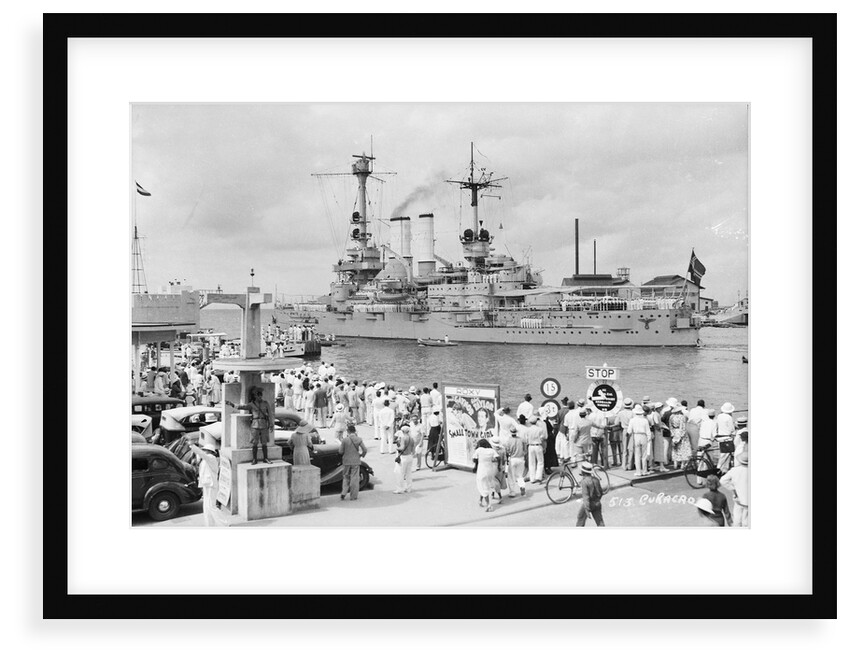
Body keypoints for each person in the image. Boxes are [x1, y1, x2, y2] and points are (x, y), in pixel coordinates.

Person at [188, 437, 225, 526]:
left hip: (211, 485)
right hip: (206, 484)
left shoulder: (211, 458)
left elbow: (201, 454)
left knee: (211, 507)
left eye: (205, 450)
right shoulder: (205, 460)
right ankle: (209, 525)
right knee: (207, 507)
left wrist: (191, 445)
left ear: (209, 451)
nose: (204, 451)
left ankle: (223, 524)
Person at [240, 386, 272, 465]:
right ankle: (254, 459)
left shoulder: (265, 403)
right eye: (258, 395)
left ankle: (265, 458)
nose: (260, 397)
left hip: (264, 424)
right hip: (255, 424)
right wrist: (232, 404)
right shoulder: (251, 404)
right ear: (255, 396)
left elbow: (270, 414)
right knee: (255, 443)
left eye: (260, 395)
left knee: (264, 443)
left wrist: (271, 423)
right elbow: (243, 407)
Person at [720, 451, 749, 526]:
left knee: (737, 518)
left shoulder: (734, 470)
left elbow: (723, 480)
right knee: (747, 521)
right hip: (748, 500)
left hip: (738, 498)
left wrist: (733, 489)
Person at [338, 424, 367, 500]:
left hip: (346, 461)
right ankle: (353, 496)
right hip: (355, 461)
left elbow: (340, 451)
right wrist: (361, 455)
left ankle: (344, 493)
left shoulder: (345, 440)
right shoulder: (359, 439)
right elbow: (365, 449)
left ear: (348, 431)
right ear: (355, 431)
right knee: (354, 478)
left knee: (346, 477)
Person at [472, 440, 500, 512]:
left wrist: (476, 464)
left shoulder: (479, 450)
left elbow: (474, 459)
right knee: (485, 486)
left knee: (482, 486)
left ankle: (488, 505)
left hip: (482, 470)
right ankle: (480, 500)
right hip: (490, 470)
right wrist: (499, 466)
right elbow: (498, 458)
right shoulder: (491, 450)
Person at [575, 461, 605, 527]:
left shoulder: (584, 482)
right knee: (599, 521)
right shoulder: (596, 479)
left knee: (580, 518)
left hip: (589, 504)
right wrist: (597, 500)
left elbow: (586, 497)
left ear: (583, 472)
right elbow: (601, 492)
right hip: (597, 502)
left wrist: (587, 509)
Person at [503, 423, 528, 497]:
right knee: (520, 475)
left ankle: (512, 492)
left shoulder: (508, 441)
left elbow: (507, 451)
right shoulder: (521, 439)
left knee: (511, 476)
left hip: (513, 459)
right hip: (521, 458)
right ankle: (522, 487)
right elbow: (525, 450)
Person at [627, 405, 651, 476]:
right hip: (644, 436)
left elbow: (629, 431)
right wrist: (649, 438)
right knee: (644, 454)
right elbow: (648, 431)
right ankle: (644, 470)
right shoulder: (645, 420)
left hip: (636, 435)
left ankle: (638, 471)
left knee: (637, 454)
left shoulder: (632, 420)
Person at [393, 424, 416, 493]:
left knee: (400, 473)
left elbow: (402, 448)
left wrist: (397, 448)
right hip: (410, 456)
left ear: (402, 431)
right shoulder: (412, 438)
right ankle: (409, 488)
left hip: (403, 457)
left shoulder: (403, 438)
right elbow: (413, 450)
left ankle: (400, 489)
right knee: (408, 473)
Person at [525, 415, 546, 484]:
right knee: (540, 461)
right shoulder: (540, 429)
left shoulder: (527, 430)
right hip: (538, 445)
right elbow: (542, 438)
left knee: (531, 462)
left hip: (530, 446)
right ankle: (538, 477)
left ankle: (532, 478)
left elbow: (526, 439)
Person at [669, 404, 691, 469]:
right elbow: (683, 427)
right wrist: (681, 435)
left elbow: (670, 426)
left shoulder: (671, 416)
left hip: (674, 432)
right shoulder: (682, 417)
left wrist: (672, 434)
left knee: (675, 448)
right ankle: (682, 464)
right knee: (683, 448)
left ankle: (675, 463)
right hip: (680, 432)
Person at [616, 398, 635, 469]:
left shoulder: (620, 413)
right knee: (631, 448)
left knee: (624, 449)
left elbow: (616, 422)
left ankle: (624, 465)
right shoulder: (633, 413)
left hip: (624, 430)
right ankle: (630, 465)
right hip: (631, 430)